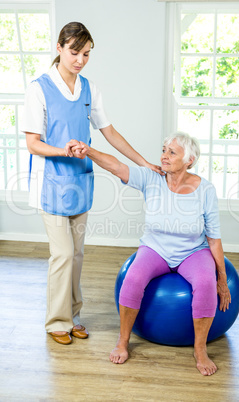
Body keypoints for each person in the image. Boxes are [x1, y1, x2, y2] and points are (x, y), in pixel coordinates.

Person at [22, 21, 162, 345]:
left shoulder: (88, 89)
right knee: (62, 255)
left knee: (78, 254)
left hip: (80, 183)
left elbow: (109, 133)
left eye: (86, 54)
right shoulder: (38, 88)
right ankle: (56, 321)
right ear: (59, 48)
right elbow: (33, 143)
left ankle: (73, 316)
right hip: (51, 183)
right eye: (75, 52)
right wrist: (65, 150)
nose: (80, 60)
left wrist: (144, 163)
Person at [70, 131, 231, 375]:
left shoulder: (205, 190)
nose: (164, 156)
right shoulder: (152, 178)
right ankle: (122, 342)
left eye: (172, 152)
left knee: (206, 283)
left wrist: (222, 279)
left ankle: (200, 350)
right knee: (132, 279)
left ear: (190, 160)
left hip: (193, 252)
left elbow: (214, 239)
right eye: (164, 150)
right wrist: (88, 150)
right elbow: (116, 166)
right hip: (155, 248)